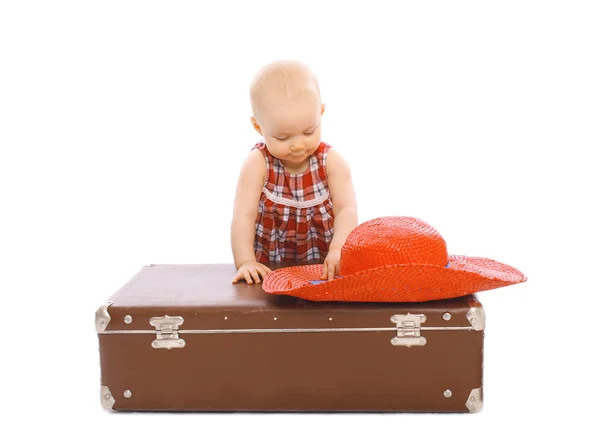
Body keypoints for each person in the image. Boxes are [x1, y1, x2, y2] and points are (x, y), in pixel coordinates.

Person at [231, 59, 358, 285]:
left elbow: (346, 209)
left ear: (321, 113)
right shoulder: (258, 163)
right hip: (270, 270)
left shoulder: (331, 162)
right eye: (283, 137)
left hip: (323, 269)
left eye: (309, 131)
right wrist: (246, 262)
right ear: (259, 127)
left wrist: (338, 249)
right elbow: (243, 216)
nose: (298, 145)